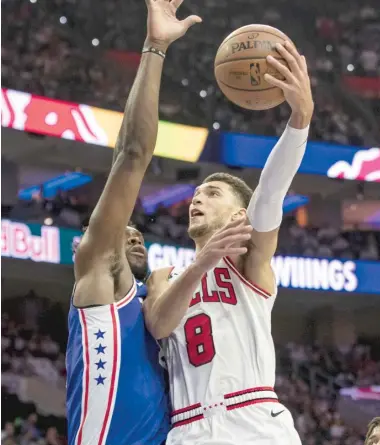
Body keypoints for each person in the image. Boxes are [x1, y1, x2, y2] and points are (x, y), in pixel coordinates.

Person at [144, 40, 314, 444]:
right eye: (197, 193)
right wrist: (202, 263)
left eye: (213, 193)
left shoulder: (246, 258)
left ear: (241, 215)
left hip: (253, 419)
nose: (198, 198)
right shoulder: (165, 276)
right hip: (189, 428)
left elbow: (271, 192)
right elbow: (160, 324)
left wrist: (300, 120)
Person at [65, 1, 203, 444]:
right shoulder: (99, 274)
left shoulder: (154, 308)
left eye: (138, 232)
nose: (135, 234)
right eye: (124, 232)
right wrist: (156, 48)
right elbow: (132, 153)